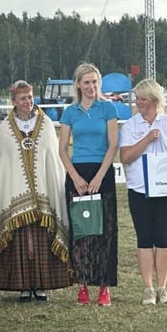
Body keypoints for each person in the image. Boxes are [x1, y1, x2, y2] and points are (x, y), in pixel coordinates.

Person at [0, 80, 72, 303]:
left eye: (30, 97)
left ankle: (41, 285)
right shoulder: (6, 128)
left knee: (42, 239)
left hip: (44, 194)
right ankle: (23, 286)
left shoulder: (45, 124)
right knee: (20, 241)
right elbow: (2, 163)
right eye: (23, 98)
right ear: (13, 101)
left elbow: (52, 158)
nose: (28, 102)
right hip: (14, 197)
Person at [119, 79, 167, 305]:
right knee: (145, 238)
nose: (139, 103)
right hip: (139, 189)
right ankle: (148, 288)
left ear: (155, 100)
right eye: (137, 98)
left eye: (143, 98)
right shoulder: (130, 126)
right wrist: (147, 138)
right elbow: (126, 157)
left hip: (166, 190)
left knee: (163, 238)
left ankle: (163, 288)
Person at [58, 62, 119, 306]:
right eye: (86, 82)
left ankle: (104, 287)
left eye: (95, 82)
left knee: (104, 231)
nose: (91, 86)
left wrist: (98, 178)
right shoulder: (70, 112)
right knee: (82, 231)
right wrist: (75, 177)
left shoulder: (108, 108)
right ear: (78, 85)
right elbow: (62, 148)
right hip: (77, 173)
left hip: (101, 173)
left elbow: (113, 144)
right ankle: (82, 284)